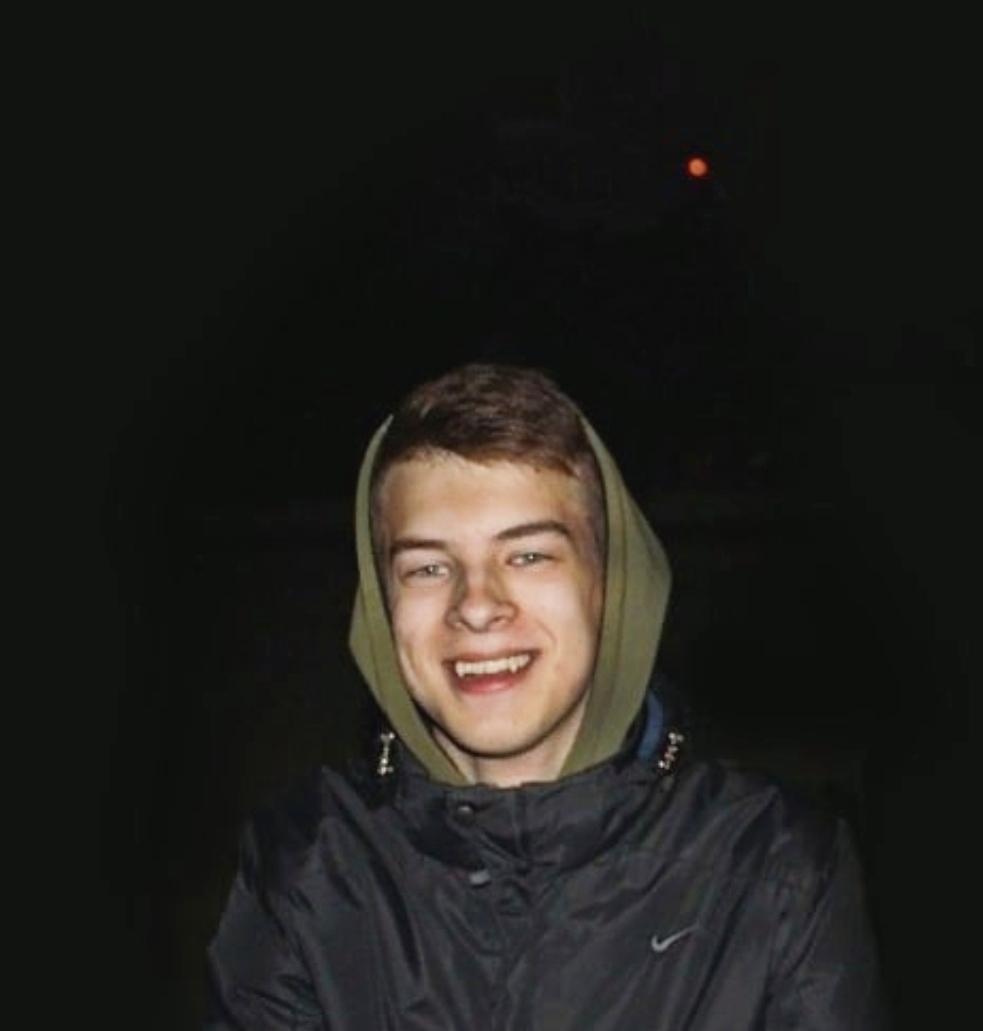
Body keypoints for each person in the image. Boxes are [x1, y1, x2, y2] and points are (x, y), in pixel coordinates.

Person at [206, 363, 887, 1028]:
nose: (477, 605)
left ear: (611, 584)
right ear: (383, 609)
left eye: (528, 555)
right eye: (428, 567)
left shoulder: (775, 865)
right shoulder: (306, 864)